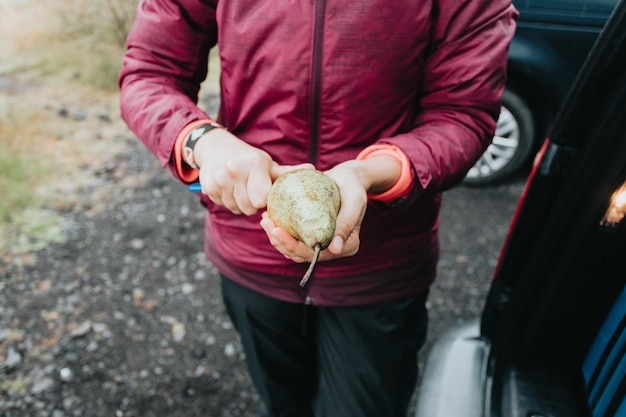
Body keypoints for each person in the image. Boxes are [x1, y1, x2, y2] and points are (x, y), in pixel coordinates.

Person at [119, 1, 517, 416]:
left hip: (380, 265)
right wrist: (202, 141)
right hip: (250, 250)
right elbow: (148, 73)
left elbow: (464, 115)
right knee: (282, 404)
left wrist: (371, 175)